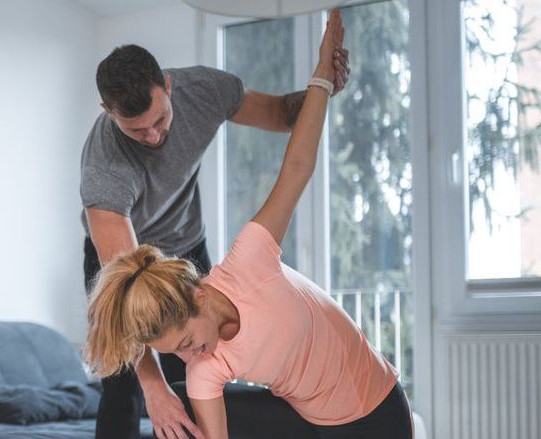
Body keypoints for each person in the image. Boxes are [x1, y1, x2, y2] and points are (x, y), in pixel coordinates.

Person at [85, 10, 413, 439]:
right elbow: (127, 282)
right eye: (136, 130)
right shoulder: (104, 173)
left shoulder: (204, 93)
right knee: (132, 386)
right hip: (125, 262)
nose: (152, 137)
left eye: (159, 121)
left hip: (184, 243)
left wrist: (322, 84)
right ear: (109, 114)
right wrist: (155, 388)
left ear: (168, 85)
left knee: (186, 382)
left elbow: (288, 137)